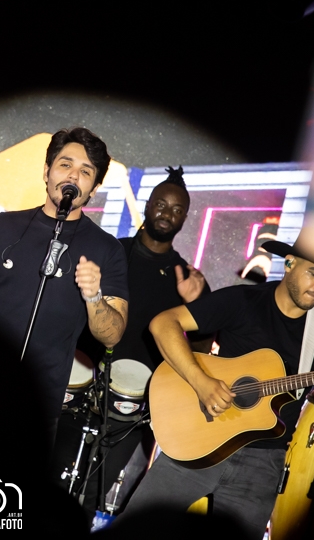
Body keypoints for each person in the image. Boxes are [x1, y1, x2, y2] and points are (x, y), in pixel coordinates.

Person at [116, 238, 314, 539]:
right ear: (290, 263)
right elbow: (164, 323)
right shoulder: (244, 300)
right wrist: (201, 382)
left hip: (262, 464)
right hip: (201, 438)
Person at [0, 127, 129, 429]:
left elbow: (112, 335)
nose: (73, 175)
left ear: (94, 188)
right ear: (46, 172)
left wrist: (94, 296)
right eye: (65, 164)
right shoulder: (1, 227)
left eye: (85, 171)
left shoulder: (107, 249)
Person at [74, 166, 212, 512]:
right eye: (161, 205)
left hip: (135, 406)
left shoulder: (189, 279)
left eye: (177, 209)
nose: (167, 213)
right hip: (82, 387)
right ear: (148, 206)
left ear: (184, 219)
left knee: (91, 495)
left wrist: (196, 306)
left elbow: (200, 352)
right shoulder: (112, 253)